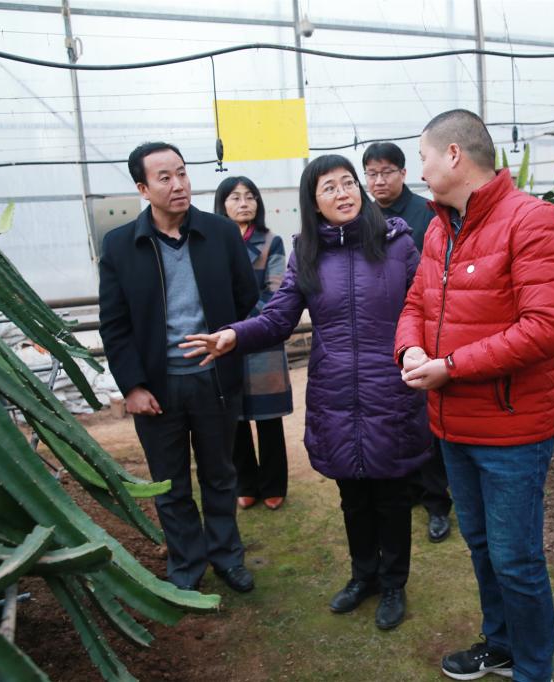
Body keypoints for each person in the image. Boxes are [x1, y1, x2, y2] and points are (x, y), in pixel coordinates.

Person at [181, 154, 431, 631]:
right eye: (328, 188)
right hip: (335, 393)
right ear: (314, 203)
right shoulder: (307, 253)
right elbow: (278, 317)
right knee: (352, 495)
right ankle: (363, 576)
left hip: (390, 388)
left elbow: (424, 304)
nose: (343, 193)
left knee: (393, 496)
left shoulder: (397, 243)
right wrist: (234, 334)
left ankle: (393, 584)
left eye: (348, 183)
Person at [395, 110, 554, 682]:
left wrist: (451, 367)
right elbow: (416, 304)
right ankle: (500, 645)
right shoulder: (438, 228)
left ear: (453, 154)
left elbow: (544, 328)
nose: (420, 170)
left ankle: (533, 671)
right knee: (481, 546)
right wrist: (409, 349)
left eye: (423, 157)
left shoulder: (532, 221)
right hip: (453, 426)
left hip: (511, 432)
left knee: (516, 560)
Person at [98, 142, 258, 594]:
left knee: (220, 475)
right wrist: (132, 386)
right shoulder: (121, 246)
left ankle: (227, 557)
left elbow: (246, 295)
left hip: (215, 379)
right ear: (142, 188)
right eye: (164, 177)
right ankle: (187, 566)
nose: (178, 184)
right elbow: (114, 324)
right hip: (158, 388)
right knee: (170, 484)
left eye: (182, 173)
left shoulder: (219, 233)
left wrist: (223, 339)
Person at [362, 141, 452, 544]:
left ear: (403, 173)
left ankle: (437, 502)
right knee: (392, 416)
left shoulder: (426, 213)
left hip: (423, 329)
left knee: (424, 415)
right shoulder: (362, 217)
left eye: (386, 172)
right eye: (372, 173)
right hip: (379, 331)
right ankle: (409, 489)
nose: (379, 181)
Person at [213, 176, 293, 512]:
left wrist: (243, 325)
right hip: (223, 339)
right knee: (234, 416)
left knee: (268, 417)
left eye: (250, 196)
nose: (244, 203)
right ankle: (245, 484)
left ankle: (274, 484)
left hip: (262, 338)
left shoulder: (271, 242)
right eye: (235, 197)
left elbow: (275, 292)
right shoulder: (213, 243)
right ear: (222, 205)